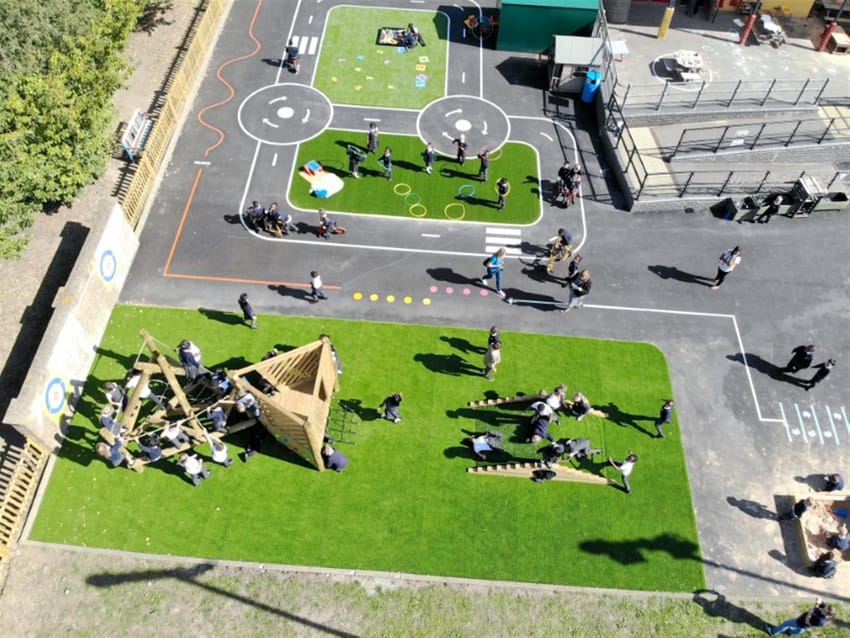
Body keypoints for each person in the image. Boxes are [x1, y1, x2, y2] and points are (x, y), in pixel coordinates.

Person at [766, 598, 835, 635]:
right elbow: (822, 604)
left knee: (786, 623)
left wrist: (810, 613)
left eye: (826, 608)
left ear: (826, 613)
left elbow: (807, 622)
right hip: (804, 625)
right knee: (799, 631)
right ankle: (790, 632)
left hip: (801, 622)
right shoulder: (825, 609)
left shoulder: (820, 621)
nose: (824, 607)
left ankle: (772, 632)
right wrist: (819, 601)